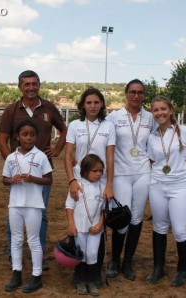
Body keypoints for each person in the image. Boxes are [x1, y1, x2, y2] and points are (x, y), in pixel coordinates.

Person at [0, 70, 67, 270]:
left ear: (39, 85)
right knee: (16, 212)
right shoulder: (12, 110)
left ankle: (39, 253)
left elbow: (64, 130)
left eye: (34, 83)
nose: (31, 87)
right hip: (18, 176)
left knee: (41, 214)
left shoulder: (49, 108)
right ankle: (14, 253)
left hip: (41, 174)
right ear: (20, 87)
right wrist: (12, 163)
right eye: (26, 84)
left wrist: (57, 149)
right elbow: (2, 140)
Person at [146, 96, 186, 287]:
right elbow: (154, 161)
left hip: (180, 187)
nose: (159, 113)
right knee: (159, 227)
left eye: (163, 109)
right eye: (155, 110)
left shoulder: (185, 132)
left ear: (170, 110)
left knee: (179, 230)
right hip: (158, 186)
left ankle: (183, 269)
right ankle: (158, 268)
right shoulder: (152, 136)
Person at [105, 79, 155, 280]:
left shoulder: (150, 117)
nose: (136, 95)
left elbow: (156, 142)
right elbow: (105, 142)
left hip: (143, 172)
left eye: (140, 92)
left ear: (144, 95)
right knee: (121, 217)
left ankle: (128, 261)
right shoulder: (114, 117)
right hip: (121, 173)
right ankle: (115, 259)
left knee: (136, 217)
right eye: (133, 92)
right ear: (126, 93)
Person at [64, 87, 115, 286]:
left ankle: (95, 272)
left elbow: (110, 157)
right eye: (88, 102)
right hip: (80, 180)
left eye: (96, 102)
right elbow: (68, 156)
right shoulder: (75, 125)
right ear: (83, 105)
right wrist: (71, 181)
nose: (92, 106)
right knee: (80, 220)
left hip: (101, 179)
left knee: (97, 225)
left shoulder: (108, 126)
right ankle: (80, 272)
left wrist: (109, 184)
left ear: (101, 104)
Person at [2, 119, 53, 293]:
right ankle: (16, 273)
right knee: (16, 239)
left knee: (33, 240)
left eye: (32, 134)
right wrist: (12, 180)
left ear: (36, 137)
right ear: (17, 137)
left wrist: (33, 179)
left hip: (33, 204)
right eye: (25, 134)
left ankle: (36, 276)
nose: (29, 138)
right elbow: (4, 180)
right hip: (15, 204)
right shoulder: (11, 157)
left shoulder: (41, 156)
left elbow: (49, 179)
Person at [66, 153, 105, 296]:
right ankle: (80, 280)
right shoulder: (77, 186)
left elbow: (105, 209)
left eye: (101, 171)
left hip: (95, 228)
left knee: (92, 253)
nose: (98, 174)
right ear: (85, 170)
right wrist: (71, 224)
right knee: (81, 253)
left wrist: (101, 224)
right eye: (95, 171)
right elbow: (69, 206)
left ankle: (91, 280)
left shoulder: (103, 187)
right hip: (79, 227)